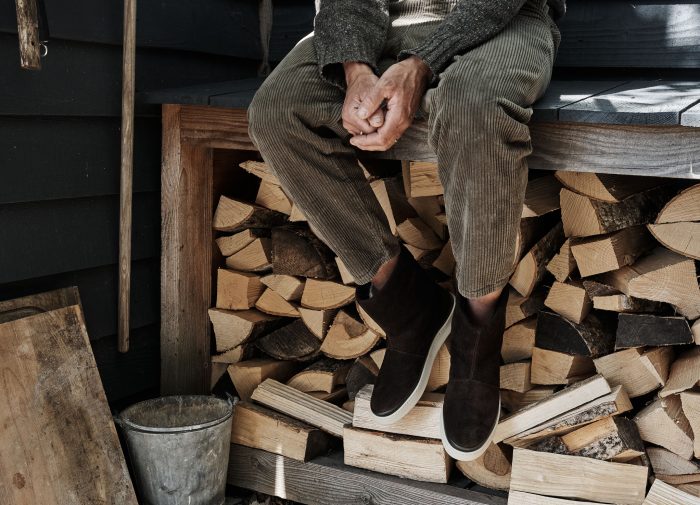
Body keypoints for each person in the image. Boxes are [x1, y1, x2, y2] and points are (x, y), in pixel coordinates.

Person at [248, 0, 564, 461]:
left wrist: (422, 64)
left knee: (474, 106)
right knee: (277, 111)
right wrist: (354, 69)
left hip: (500, 21)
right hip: (381, 27)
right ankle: (410, 306)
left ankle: (477, 333)